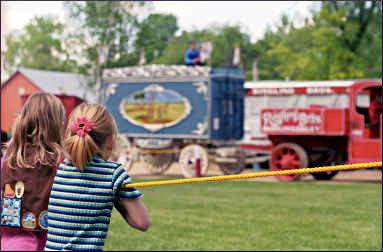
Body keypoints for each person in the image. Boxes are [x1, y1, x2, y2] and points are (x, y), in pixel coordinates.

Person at [44, 103, 150, 251]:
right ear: (111, 141)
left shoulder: (61, 169)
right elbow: (142, 222)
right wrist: (115, 195)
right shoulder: (114, 174)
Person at [1, 92, 66, 251]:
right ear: (56, 124)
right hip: (43, 239)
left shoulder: (9, 157)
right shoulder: (58, 160)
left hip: (7, 238)